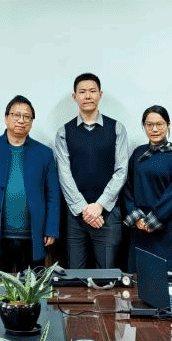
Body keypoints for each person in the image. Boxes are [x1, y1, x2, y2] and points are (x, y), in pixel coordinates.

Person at [0, 95, 60, 273]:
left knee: (32, 286)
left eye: (27, 117)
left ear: (31, 122)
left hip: (33, 236)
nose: (21, 120)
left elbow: (53, 195)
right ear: (6, 118)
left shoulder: (44, 153)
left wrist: (51, 229)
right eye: (16, 115)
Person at [54, 72, 129, 269]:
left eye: (92, 91)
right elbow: (64, 173)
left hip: (108, 214)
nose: (87, 96)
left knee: (107, 276)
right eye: (82, 92)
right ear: (74, 97)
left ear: (100, 94)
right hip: (75, 216)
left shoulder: (117, 128)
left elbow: (121, 170)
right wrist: (84, 209)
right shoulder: (63, 132)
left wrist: (99, 206)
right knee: (74, 275)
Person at [123, 105, 172, 271]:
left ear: (168, 125)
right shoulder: (138, 153)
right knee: (139, 279)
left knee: (168, 279)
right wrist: (137, 218)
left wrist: (154, 219)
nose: (154, 129)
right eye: (149, 125)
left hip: (168, 228)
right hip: (140, 228)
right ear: (144, 126)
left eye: (159, 124)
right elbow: (127, 187)